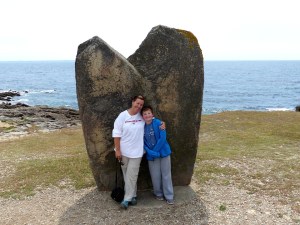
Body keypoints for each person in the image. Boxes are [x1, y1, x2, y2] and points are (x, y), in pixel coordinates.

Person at [112, 95, 165, 209]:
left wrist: (162, 123)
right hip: (123, 151)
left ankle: (126, 199)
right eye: (137, 103)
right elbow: (116, 133)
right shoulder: (123, 116)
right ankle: (134, 195)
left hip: (137, 152)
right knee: (126, 174)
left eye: (141, 105)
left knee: (132, 174)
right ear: (133, 102)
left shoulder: (142, 116)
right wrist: (118, 150)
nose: (139, 106)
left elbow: (151, 119)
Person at [141, 105, 174, 205]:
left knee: (166, 175)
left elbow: (163, 137)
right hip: (151, 156)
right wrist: (151, 152)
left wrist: (155, 151)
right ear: (142, 116)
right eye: (145, 114)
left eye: (149, 113)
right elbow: (142, 142)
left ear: (152, 114)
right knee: (155, 176)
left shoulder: (159, 123)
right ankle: (158, 194)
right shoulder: (141, 127)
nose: (147, 115)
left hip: (163, 153)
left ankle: (169, 196)